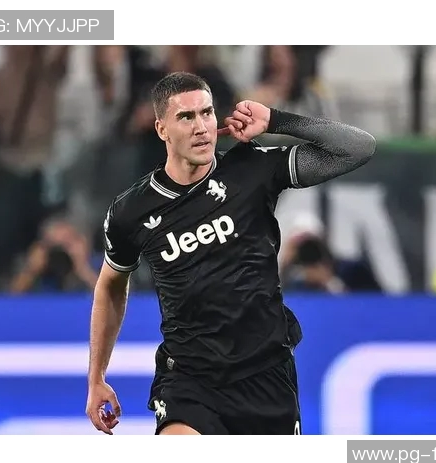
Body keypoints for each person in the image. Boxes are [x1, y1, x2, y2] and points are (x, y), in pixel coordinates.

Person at [85, 71, 376, 435]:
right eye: (186, 117)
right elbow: (111, 285)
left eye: (206, 113)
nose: (201, 127)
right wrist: (96, 377)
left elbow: (359, 147)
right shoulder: (131, 211)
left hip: (266, 375)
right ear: (162, 130)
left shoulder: (251, 169)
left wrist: (276, 120)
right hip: (190, 379)